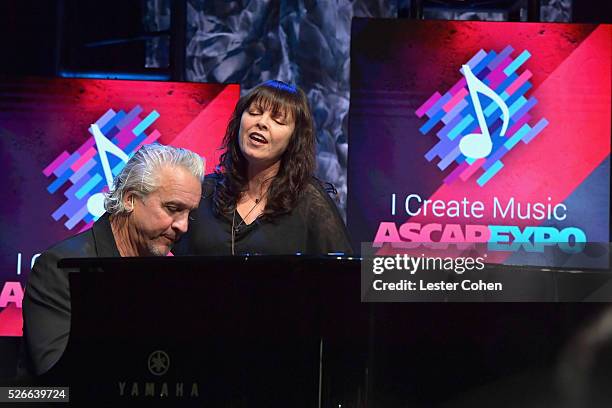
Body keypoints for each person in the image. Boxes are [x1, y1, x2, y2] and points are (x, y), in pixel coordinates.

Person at [19, 143, 204, 377]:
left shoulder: (176, 277)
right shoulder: (61, 267)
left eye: (190, 214)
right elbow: (57, 378)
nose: (183, 226)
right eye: (172, 208)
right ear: (130, 199)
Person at [174, 80, 353, 256]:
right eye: (254, 112)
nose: (262, 122)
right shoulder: (203, 192)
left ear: (294, 140)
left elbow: (351, 274)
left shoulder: (308, 201)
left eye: (278, 120)